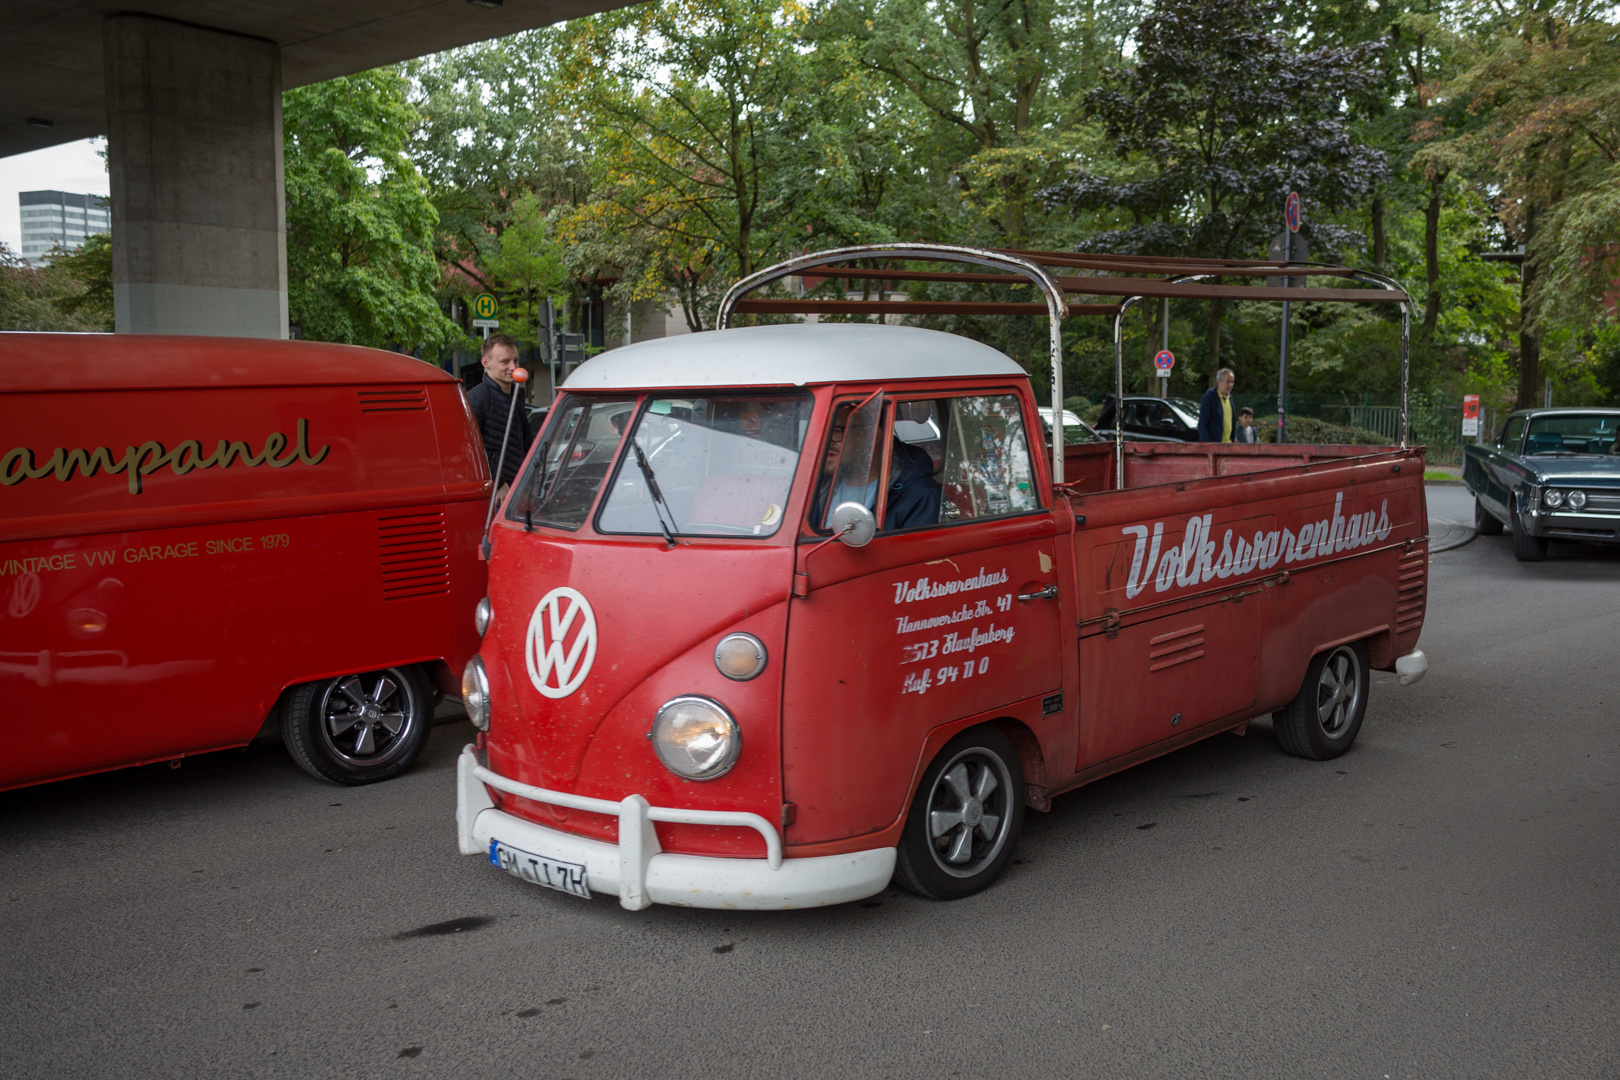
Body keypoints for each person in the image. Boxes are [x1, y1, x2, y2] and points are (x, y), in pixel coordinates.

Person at [466, 333, 533, 491]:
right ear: (485, 362)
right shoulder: (476, 399)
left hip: (519, 489)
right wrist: (498, 482)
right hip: (495, 495)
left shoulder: (515, 397)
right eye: (505, 362)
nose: (513, 368)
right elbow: (471, 449)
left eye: (515, 360)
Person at [1197, 368, 1236, 442]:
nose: (1230, 385)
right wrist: (1207, 445)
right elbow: (1202, 424)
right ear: (1219, 381)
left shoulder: (1230, 398)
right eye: (1228, 382)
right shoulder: (1209, 397)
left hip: (1229, 445)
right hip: (1215, 447)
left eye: (1232, 382)